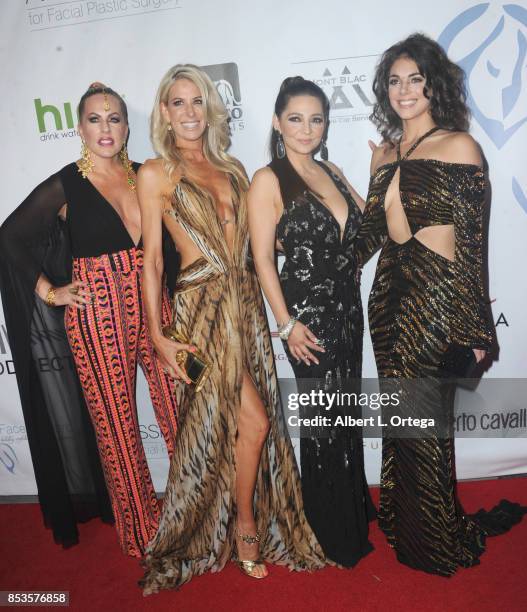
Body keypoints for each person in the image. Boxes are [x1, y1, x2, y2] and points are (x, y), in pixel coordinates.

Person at [138, 64, 327, 593]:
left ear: (210, 109)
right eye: (179, 103)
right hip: (199, 314)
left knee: (242, 427)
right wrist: (157, 335)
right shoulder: (155, 173)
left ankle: (242, 519)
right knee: (254, 421)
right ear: (164, 113)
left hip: (245, 306)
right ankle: (244, 525)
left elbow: (262, 244)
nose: (190, 112)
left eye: (198, 101)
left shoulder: (235, 169)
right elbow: (152, 261)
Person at [356, 33, 526, 576]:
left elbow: (472, 247)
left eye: (416, 80)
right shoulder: (388, 152)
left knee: (425, 425)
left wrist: (478, 331)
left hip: (433, 303)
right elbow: (368, 239)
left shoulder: (459, 146)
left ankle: (435, 541)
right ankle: (408, 524)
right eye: (395, 81)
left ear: (434, 86)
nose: (405, 91)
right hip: (386, 303)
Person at [0, 83, 179, 557]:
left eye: (115, 118)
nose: (106, 128)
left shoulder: (147, 174)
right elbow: (9, 236)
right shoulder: (66, 183)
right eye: (95, 119)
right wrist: (49, 291)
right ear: (80, 128)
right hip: (98, 312)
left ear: (126, 126)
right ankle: (144, 534)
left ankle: (192, 514)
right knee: (119, 430)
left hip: (154, 302)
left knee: (180, 411)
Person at [248, 76, 375, 567]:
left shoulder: (334, 171)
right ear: (279, 122)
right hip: (307, 321)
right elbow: (262, 257)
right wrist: (285, 325)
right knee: (323, 424)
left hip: (347, 310)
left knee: (345, 419)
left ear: (326, 125)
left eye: (315, 119)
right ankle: (327, 530)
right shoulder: (269, 179)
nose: (306, 129)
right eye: (295, 119)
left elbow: (366, 235)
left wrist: (378, 172)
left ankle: (350, 511)